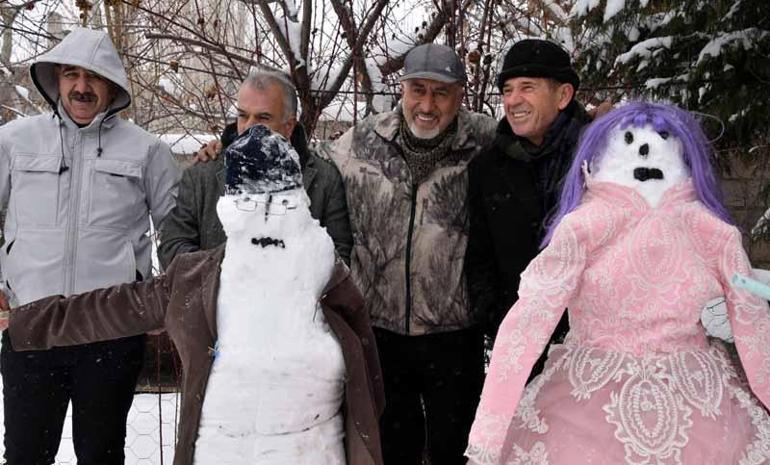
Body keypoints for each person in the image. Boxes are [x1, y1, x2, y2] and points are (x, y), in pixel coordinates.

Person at [3, 125, 384, 465]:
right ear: (232, 208)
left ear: (299, 204)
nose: (267, 218)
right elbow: (113, 308)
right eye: (251, 203)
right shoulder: (197, 279)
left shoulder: (328, 278)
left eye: (280, 203)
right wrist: (27, 321)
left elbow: (368, 378)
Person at [465, 102, 770, 464]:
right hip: (673, 398)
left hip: (624, 396)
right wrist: (489, 429)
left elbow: (751, 314)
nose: (646, 149)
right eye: (630, 140)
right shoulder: (586, 228)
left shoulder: (708, 231)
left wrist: (488, 434)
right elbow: (529, 320)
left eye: (661, 139)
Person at [0, 27, 180, 464]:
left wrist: (163, 301)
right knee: (26, 454)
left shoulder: (147, 151)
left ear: (111, 86)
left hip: (110, 330)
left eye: (93, 77)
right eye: (71, 75)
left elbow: (177, 230)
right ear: (56, 80)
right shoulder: (14, 141)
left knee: (101, 454)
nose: (81, 87)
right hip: (31, 325)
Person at [321, 43, 496, 465]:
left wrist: (593, 127)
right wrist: (224, 150)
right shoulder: (362, 140)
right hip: (380, 332)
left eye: (441, 93)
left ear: (460, 95)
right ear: (402, 90)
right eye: (418, 90)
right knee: (392, 449)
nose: (427, 105)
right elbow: (311, 174)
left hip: (454, 334)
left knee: (455, 450)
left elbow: (542, 147)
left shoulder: (485, 142)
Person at [465, 39, 598, 373]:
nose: (513, 101)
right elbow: (479, 256)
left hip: (596, 340)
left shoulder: (603, 157)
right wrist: (498, 320)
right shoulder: (487, 167)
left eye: (527, 87)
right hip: (521, 341)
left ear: (563, 95)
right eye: (507, 90)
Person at [159, 66, 352, 267]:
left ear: (289, 126)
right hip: (217, 296)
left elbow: (339, 259)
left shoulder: (324, 179)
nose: (248, 126)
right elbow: (172, 248)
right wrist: (229, 271)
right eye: (243, 115)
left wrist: (283, 271)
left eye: (263, 118)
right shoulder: (202, 175)